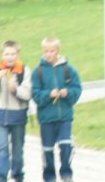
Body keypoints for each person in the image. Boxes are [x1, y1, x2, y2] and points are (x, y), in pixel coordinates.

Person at [31, 37, 82, 182]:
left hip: (65, 116)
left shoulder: (68, 70)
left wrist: (68, 93)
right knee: (47, 150)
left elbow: (77, 89)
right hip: (46, 118)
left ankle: (66, 174)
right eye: (46, 51)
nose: (48, 54)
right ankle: (49, 177)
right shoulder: (38, 72)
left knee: (66, 145)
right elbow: (35, 95)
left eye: (52, 51)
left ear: (58, 51)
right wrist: (48, 94)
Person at [0, 40, 31, 182]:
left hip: (18, 115)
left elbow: (28, 94)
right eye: (7, 54)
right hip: (0, 114)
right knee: (1, 149)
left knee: (17, 151)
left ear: (18, 55)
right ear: (2, 55)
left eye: (13, 54)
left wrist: (15, 89)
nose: (10, 57)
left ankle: (17, 176)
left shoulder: (24, 70)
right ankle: (0, 177)